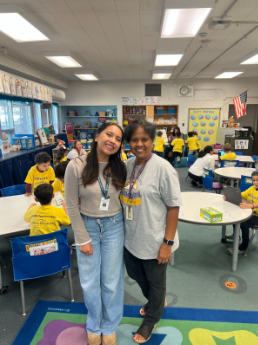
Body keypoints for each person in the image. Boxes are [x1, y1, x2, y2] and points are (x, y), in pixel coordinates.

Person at [65, 123, 127, 345]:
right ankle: (94, 323)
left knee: (111, 281)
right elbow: (71, 205)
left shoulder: (120, 166)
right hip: (87, 225)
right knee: (90, 282)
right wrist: (82, 238)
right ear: (96, 136)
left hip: (114, 225)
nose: (112, 140)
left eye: (118, 138)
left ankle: (109, 325)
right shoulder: (76, 165)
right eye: (108, 134)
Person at [120, 120, 182, 344]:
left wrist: (167, 242)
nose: (139, 144)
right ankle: (157, 301)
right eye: (134, 139)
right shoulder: (128, 165)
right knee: (136, 274)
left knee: (156, 282)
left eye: (144, 139)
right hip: (132, 236)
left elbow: (173, 208)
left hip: (156, 238)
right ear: (129, 142)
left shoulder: (164, 168)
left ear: (152, 141)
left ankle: (152, 318)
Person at [224, 171, 258, 255]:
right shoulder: (252, 188)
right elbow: (243, 194)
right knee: (234, 216)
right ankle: (236, 235)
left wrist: (250, 206)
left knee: (244, 224)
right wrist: (230, 195)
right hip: (248, 212)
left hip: (256, 216)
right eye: (254, 180)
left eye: (257, 180)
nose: (255, 182)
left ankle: (244, 246)